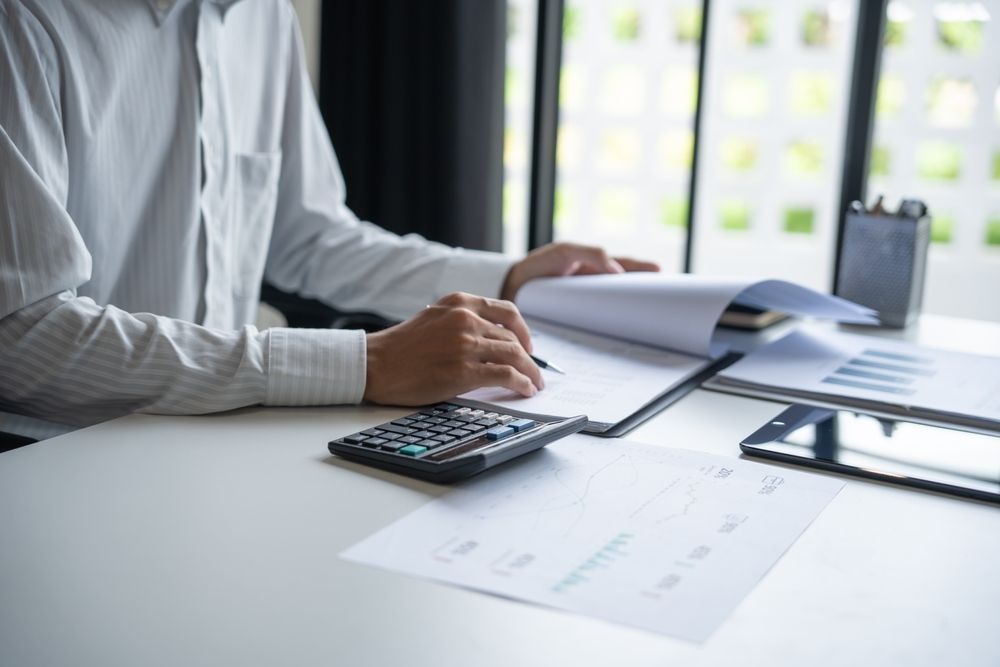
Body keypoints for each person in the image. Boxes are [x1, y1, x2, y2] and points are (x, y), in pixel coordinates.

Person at [0, 0, 657, 440]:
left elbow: (308, 236)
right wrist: (363, 362)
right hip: (53, 462)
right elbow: (20, 338)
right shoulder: (22, 22)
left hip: (214, 443)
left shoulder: (262, 16)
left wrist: (510, 279)